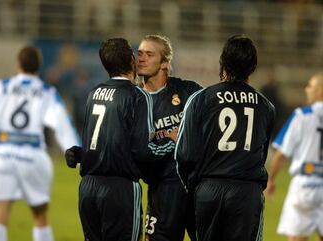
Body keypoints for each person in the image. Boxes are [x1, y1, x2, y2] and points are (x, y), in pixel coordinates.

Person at [0, 46, 80, 241]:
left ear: (18, 64)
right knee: (40, 215)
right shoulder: (46, 92)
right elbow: (63, 124)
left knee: (0, 214)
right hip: (33, 155)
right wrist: (79, 153)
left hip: (2, 154)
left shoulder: (3, 87)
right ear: (39, 67)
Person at [65, 38, 175, 241]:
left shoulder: (94, 92)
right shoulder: (137, 96)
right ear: (132, 60)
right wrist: (171, 141)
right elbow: (143, 151)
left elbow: (98, 143)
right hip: (120, 190)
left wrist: (79, 153)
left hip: (88, 187)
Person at [175, 35, 275, 241]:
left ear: (222, 63)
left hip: (208, 190)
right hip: (246, 193)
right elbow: (261, 155)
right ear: (253, 67)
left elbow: (184, 155)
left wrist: (194, 187)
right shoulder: (266, 106)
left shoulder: (201, 99)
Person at [136, 34, 202, 241]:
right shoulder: (134, 100)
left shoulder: (188, 91)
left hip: (196, 189)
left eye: (149, 54)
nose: (141, 59)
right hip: (162, 192)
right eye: (139, 54)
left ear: (165, 62)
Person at [266, 73, 323, 241]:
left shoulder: (302, 115)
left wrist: (272, 179)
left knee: (297, 238)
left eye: (311, 86)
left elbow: (282, 152)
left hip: (304, 186)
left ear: (320, 92)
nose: (307, 89)